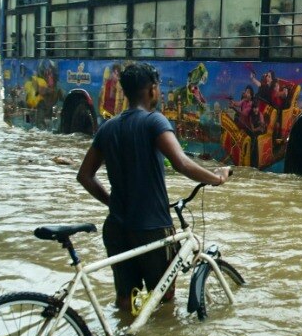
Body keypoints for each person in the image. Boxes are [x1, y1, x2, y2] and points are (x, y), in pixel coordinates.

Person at [77, 63, 231, 313]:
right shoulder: (154, 121)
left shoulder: (107, 128)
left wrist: (112, 203)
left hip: (117, 226)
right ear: (151, 90)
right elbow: (181, 163)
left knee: (126, 300)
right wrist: (216, 178)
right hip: (151, 228)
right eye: (157, 88)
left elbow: (85, 176)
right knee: (163, 297)